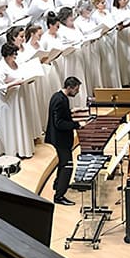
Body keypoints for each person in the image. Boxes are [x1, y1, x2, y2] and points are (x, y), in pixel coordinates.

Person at [45, 76, 84, 206]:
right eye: (76, 89)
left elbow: (61, 115)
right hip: (60, 139)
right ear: (69, 88)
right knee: (67, 166)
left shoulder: (58, 96)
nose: (77, 92)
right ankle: (59, 196)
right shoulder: (60, 100)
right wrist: (77, 124)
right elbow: (59, 123)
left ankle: (57, 184)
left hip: (59, 138)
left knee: (63, 164)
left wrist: (71, 112)